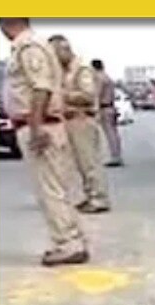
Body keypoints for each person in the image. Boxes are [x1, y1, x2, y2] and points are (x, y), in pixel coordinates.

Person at [0, 18, 88, 266]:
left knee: (51, 190)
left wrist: (36, 127)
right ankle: (70, 240)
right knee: (53, 188)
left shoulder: (29, 47)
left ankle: (68, 243)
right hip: (38, 124)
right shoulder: (29, 46)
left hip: (41, 125)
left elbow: (41, 88)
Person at [49, 36, 110, 213]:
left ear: (65, 50)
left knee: (89, 162)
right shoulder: (64, 70)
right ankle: (89, 195)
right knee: (78, 164)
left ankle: (99, 199)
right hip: (71, 119)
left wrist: (63, 95)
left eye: (56, 53)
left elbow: (88, 94)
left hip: (82, 119)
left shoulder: (81, 69)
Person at [90, 59, 123, 167]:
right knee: (113, 133)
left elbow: (97, 94)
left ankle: (114, 157)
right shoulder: (108, 77)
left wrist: (95, 110)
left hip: (104, 107)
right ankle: (117, 155)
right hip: (111, 107)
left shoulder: (99, 78)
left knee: (109, 133)